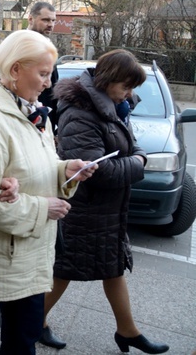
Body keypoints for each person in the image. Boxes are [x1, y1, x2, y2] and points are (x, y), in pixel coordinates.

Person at [0, 29, 97, 355]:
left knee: (25, 338)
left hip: (28, 258)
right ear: (15, 70)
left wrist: (66, 171)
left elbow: (35, 170)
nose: (48, 83)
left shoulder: (34, 114)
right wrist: (42, 208)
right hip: (1, 262)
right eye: (43, 73)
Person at [42, 49, 169, 354]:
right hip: (84, 207)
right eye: (126, 85)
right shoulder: (79, 112)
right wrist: (139, 163)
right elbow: (98, 172)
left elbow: (130, 144)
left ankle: (127, 331)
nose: (130, 93)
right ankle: (35, 322)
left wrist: (136, 156)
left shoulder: (115, 106)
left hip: (107, 208)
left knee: (113, 268)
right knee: (65, 269)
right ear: (108, 79)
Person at [27, 2, 59, 126]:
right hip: (28, 118)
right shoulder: (19, 45)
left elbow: (53, 87)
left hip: (47, 121)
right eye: (46, 20)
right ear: (30, 19)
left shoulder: (48, 45)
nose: (50, 25)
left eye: (53, 20)